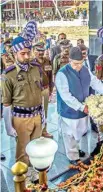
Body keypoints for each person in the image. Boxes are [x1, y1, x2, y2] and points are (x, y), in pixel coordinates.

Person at [2, 21, 43, 182]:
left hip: (37, 115)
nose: (26, 56)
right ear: (14, 54)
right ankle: (22, 177)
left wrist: (43, 115)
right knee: (22, 151)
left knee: (35, 148)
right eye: (23, 54)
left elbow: (39, 92)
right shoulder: (9, 74)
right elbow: (6, 103)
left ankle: (33, 173)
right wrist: (7, 126)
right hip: (21, 118)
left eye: (28, 52)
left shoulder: (36, 68)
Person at [55, 47, 103, 165]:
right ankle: (72, 157)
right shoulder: (62, 74)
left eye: (80, 63)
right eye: (75, 64)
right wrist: (80, 107)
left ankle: (76, 149)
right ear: (69, 61)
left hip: (83, 109)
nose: (78, 66)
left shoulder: (85, 70)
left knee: (79, 131)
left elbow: (95, 82)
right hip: (69, 110)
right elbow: (66, 96)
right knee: (69, 134)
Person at [32, 42, 54, 138]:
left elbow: (50, 76)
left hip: (45, 90)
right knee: (34, 112)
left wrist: (50, 89)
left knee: (44, 111)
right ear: (33, 51)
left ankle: (44, 131)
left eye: (42, 50)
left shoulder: (48, 61)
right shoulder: (30, 63)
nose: (40, 53)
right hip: (34, 91)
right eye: (38, 50)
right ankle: (34, 132)